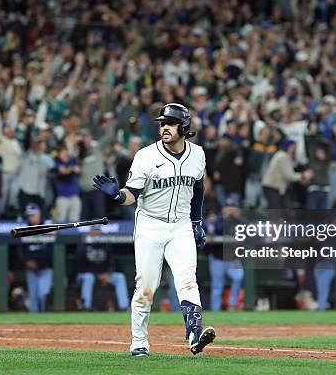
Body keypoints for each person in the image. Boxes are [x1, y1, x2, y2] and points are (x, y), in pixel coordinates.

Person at [93, 103, 215, 356]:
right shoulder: (146, 156)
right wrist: (117, 196)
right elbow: (132, 195)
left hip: (180, 224)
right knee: (147, 285)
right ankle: (139, 342)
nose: (164, 128)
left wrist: (196, 221)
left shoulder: (198, 154)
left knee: (187, 279)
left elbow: (199, 188)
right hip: (150, 224)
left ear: (184, 127)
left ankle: (194, 333)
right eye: (162, 124)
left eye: (170, 123)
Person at [207, 198, 244, 311]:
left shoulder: (239, 220)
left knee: (238, 277)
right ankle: (215, 310)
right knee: (217, 287)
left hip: (233, 259)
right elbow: (217, 230)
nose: (230, 208)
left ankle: (232, 304)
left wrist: (235, 218)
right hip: (218, 258)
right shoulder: (217, 220)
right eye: (227, 206)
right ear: (223, 208)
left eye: (232, 206)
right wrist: (227, 218)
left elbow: (246, 229)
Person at [18, 203, 53, 312]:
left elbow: (51, 250)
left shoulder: (48, 227)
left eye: (33, 215)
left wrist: (41, 262)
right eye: (29, 215)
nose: (31, 218)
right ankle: (34, 324)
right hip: (30, 268)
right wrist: (27, 261)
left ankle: (45, 320)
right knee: (33, 296)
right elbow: (20, 250)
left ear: (39, 214)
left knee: (43, 294)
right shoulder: (24, 230)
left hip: (46, 267)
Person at [75, 241, 129, 312]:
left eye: (98, 230)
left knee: (120, 277)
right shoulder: (82, 245)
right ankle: (86, 307)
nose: (96, 232)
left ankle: (124, 307)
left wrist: (109, 274)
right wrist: (97, 275)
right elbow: (80, 267)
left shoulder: (106, 244)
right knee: (89, 277)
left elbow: (112, 263)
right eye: (94, 230)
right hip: (84, 275)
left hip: (104, 274)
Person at [53, 146, 81, 222]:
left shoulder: (73, 160)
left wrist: (76, 168)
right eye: (61, 153)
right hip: (62, 197)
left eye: (65, 152)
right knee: (60, 220)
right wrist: (72, 168)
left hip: (74, 195)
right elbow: (63, 171)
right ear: (59, 155)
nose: (63, 154)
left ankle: (74, 234)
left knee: (74, 221)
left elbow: (78, 170)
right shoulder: (57, 163)